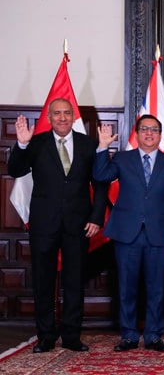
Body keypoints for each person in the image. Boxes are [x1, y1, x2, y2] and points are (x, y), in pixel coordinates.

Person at [7, 98, 109, 353]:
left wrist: (96, 217)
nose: (62, 118)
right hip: (43, 224)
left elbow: (100, 184)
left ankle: (72, 336)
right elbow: (16, 170)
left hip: (79, 224)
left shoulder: (88, 144)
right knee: (43, 281)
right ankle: (46, 336)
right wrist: (21, 144)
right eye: (57, 114)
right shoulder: (36, 143)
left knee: (74, 281)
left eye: (66, 113)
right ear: (49, 117)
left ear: (73, 116)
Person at [93, 114, 164, 352]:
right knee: (126, 287)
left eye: (154, 129)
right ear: (137, 133)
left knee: (156, 288)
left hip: (159, 234)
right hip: (127, 233)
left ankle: (153, 335)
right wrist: (102, 147)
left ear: (160, 135)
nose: (149, 133)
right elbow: (101, 176)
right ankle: (129, 335)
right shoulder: (122, 159)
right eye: (144, 129)